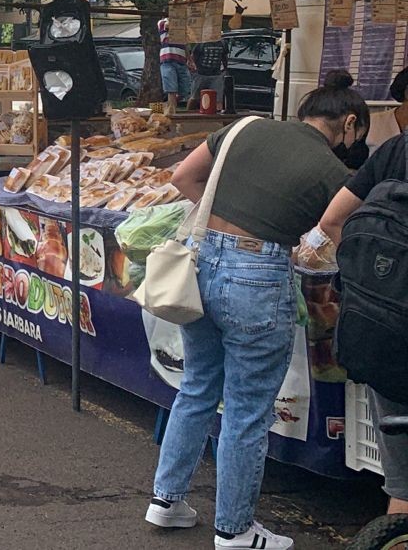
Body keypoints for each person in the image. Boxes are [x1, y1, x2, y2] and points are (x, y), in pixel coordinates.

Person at [146, 71, 367, 550]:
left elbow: (182, 176)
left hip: (200, 263)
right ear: (348, 123)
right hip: (258, 275)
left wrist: (226, 229)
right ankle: (234, 529)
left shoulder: (245, 126)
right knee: (247, 410)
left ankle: (165, 501)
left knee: (198, 386)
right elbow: (334, 233)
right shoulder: (335, 172)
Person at [317, 93, 408, 523]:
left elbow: (332, 220)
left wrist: (370, 283)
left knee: (403, 484)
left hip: (381, 330)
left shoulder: (396, 149)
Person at [159, 19, 191, 111]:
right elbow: (167, 24)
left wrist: (189, 59)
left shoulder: (182, 32)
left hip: (181, 61)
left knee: (185, 89)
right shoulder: (162, 24)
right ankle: (172, 110)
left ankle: (168, 106)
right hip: (167, 60)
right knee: (171, 89)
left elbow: (185, 46)